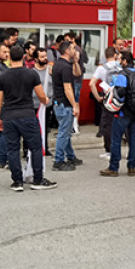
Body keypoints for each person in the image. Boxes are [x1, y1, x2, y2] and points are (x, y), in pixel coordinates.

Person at [0, 44, 57, 191]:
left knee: (13, 149)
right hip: (27, 115)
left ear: (9, 57)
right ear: (23, 56)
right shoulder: (31, 74)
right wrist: (46, 101)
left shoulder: (2, 76)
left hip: (9, 115)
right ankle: (38, 179)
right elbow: (41, 95)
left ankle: (17, 182)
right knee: (35, 147)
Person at [101, 50, 135, 176]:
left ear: (124, 60)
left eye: (120, 59)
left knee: (116, 139)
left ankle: (113, 167)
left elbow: (120, 93)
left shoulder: (122, 74)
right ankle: (131, 166)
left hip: (124, 112)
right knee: (134, 139)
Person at [51, 40, 83, 171]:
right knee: (64, 133)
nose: (75, 51)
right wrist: (74, 104)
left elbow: (78, 73)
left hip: (60, 103)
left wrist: (75, 61)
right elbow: (68, 89)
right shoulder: (64, 67)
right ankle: (58, 160)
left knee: (66, 131)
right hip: (64, 104)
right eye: (72, 49)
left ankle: (70, 156)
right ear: (66, 51)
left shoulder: (61, 64)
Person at [90, 47, 120, 159]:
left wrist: (98, 97)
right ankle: (120, 149)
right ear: (115, 55)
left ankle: (109, 151)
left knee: (108, 124)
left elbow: (91, 84)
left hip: (108, 99)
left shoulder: (101, 68)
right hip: (120, 98)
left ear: (105, 56)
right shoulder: (120, 66)